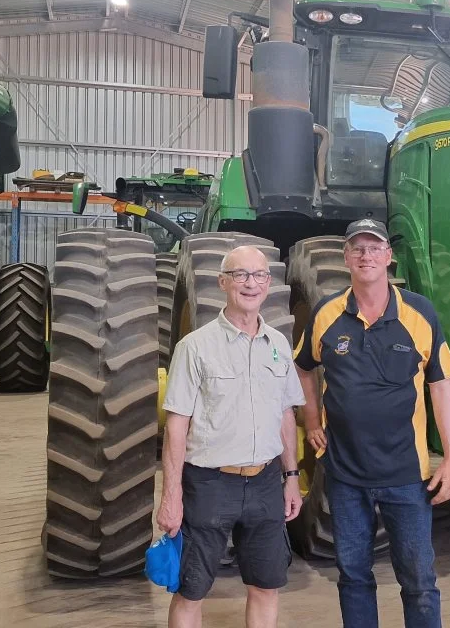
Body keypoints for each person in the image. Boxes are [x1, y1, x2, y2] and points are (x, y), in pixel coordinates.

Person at [293, 218, 450, 628]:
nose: (366, 255)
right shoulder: (326, 313)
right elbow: (302, 368)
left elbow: (441, 387)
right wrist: (312, 418)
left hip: (407, 475)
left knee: (418, 579)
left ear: (388, 256)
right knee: (353, 576)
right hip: (346, 474)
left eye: (374, 248)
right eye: (357, 249)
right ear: (346, 258)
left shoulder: (420, 312)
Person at [157, 245, 306, 628]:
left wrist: (291, 478)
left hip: (265, 483)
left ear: (268, 284)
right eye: (240, 275)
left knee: (266, 586)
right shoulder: (195, 347)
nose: (250, 283)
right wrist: (171, 496)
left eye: (258, 275)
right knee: (191, 590)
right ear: (223, 282)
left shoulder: (278, 346)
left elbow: (286, 414)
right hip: (209, 484)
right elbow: (176, 425)